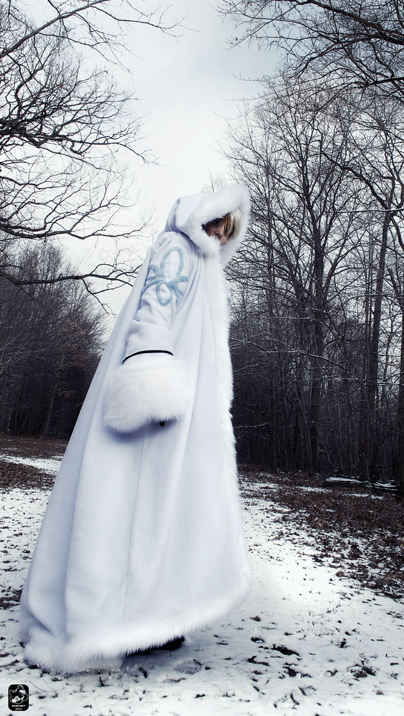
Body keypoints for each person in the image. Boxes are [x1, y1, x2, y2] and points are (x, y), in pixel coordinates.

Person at [20, 185, 252, 673]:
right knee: (135, 504)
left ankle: (155, 616)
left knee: (168, 508)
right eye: (214, 222)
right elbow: (154, 310)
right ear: (198, 218)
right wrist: (153, 381)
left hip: (181, 405)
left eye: (226, 229)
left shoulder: (202, 266)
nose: (218, 234)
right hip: (159, 397)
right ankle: (113, 621)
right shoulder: (176, 248)